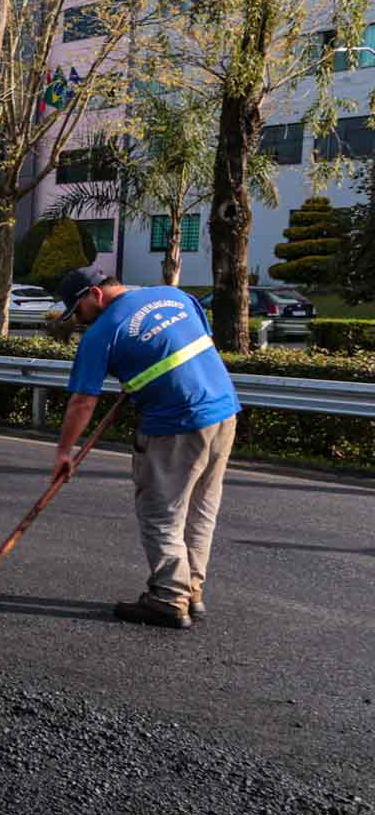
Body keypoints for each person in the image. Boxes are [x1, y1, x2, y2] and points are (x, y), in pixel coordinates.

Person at [51, 268, 240, 629]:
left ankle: (168, 599)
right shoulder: (176, 296)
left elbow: (82, 402)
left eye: (77, 310)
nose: (78, 320)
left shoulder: (103, 333)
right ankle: (192, 591)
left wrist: (64, 452)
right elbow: (192, 348)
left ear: (96, 294)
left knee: (162, 512)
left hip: (176, 423)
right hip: (223, 411)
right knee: (201, 507)